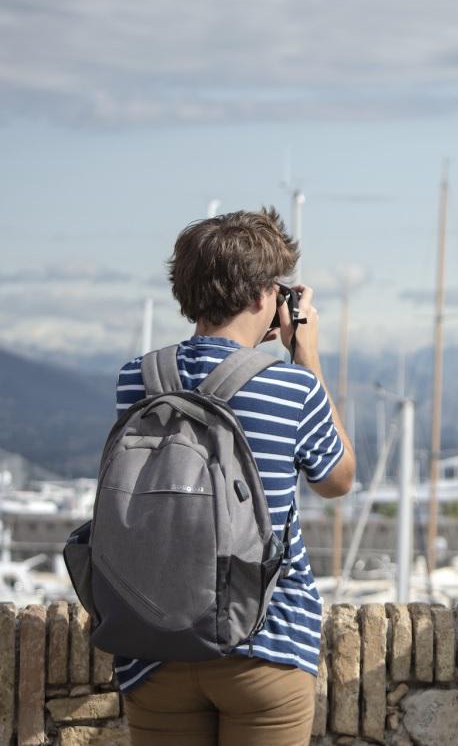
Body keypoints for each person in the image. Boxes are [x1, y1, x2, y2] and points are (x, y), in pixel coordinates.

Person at [115, 208, 356, 745]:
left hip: (153, 644)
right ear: (262, 297)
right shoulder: (290, 388)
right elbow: (337, 479)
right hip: (264, 644)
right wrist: (305, 354)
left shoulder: (138, 378)